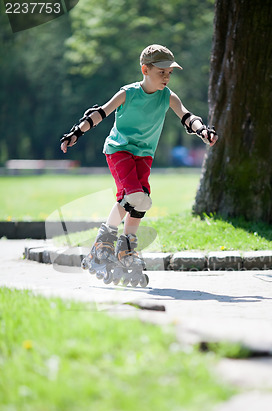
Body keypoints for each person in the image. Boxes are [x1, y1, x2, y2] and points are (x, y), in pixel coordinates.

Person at [60, 44, 218, 286]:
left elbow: (187, 117)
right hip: (119, 150)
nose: (166, 77)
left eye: (169, 73)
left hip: (144, 156)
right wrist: (75, 134)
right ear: (145, 69)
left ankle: (125, 249)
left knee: (141, 200)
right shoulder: (128, 94)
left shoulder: (168, 97)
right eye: (161, 72)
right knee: (133, 195)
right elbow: (100, 113)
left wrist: (203, 132)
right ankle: (102, 246)